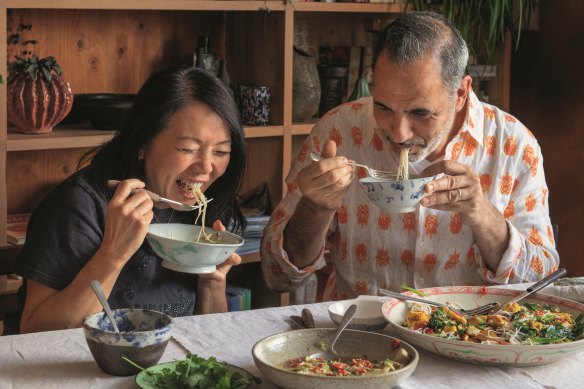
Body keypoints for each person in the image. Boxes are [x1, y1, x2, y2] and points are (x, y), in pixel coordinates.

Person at [261, 11, 559, 301]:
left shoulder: (513, 145)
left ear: (461, 94)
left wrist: (482, 215)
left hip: (470, 342)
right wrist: (315, 207)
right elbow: (278, 277)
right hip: (361, 340)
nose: (400, 133)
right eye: (384, 108)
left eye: (420, 112)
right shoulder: (338, 133)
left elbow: (541, 282)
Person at [13, 66, 247, 334]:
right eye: (188, 149)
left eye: (221, 151)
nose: (206, 167)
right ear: (142, 143)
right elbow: (35, 332)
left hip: (167, 370)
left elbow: (210, 339)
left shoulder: (209, 209)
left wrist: (212, 283)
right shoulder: (80, 206)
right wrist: (114, 252)